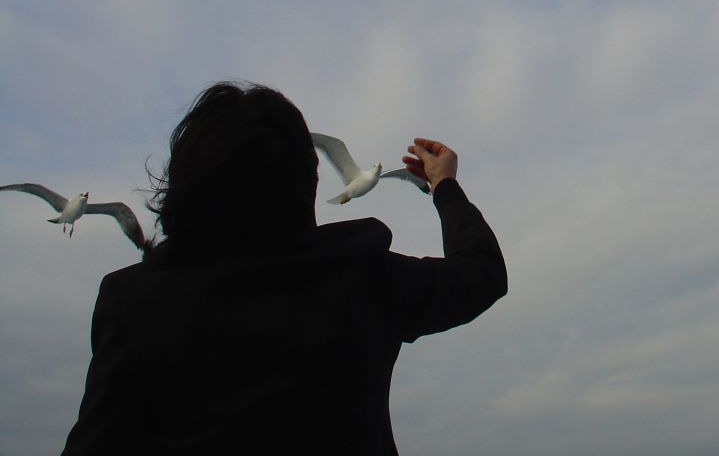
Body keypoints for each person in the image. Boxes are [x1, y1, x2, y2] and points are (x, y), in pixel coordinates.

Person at [61, 82, 507, 455]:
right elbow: (482, 273)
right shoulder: (364, 276)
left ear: (185, 183)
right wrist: (445, 185)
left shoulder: (135, 301)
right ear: (308, 184)